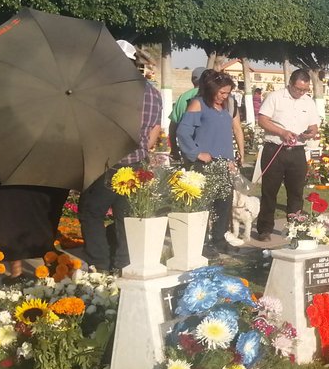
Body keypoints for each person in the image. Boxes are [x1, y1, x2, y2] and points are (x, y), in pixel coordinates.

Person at [80, 40, 164, 272]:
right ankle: (124, 263)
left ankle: (100, 263)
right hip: (137, 163)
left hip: (108, 162)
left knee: (91, 212)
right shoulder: (152, 92)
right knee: (126, 216)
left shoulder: (103, 90)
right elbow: (154, 130)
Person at [176, 71, 245, 256]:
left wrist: (231, 159)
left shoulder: (223, 109)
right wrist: (196, 153)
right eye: (222, 93)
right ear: (211, 90)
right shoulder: (198, 104)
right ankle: (202, 242)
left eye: (228, 93)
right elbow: (183, 132)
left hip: (223, 164)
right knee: (203, 206)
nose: (225, 97)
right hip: (204, 165)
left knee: (223, 204)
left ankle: (219, 240)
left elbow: (223, 137)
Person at [254, 69, 321, 240]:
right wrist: (282, 132)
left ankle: (295, 228)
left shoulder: (308, 102)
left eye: (305, 90)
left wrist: (310, 133)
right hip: (275, 149)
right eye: (298, 89)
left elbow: (314, 126)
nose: (301, 93)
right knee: (270, 191)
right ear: (290, 84)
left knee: (296, 192)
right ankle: (265, 229)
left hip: (297, 151)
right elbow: (262, 120)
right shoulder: (275, 97)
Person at [0, 158, 68, 278]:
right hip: (28, 176)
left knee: (15, 220)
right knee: (26, 221)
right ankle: (44, 265)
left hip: (13, 175)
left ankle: (21, 270)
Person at [168, 66, 207, 160]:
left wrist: (174, 149)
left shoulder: (182, 97)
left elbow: (173, 126)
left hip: (187, 151)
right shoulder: (208, 96)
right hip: (207, 151)